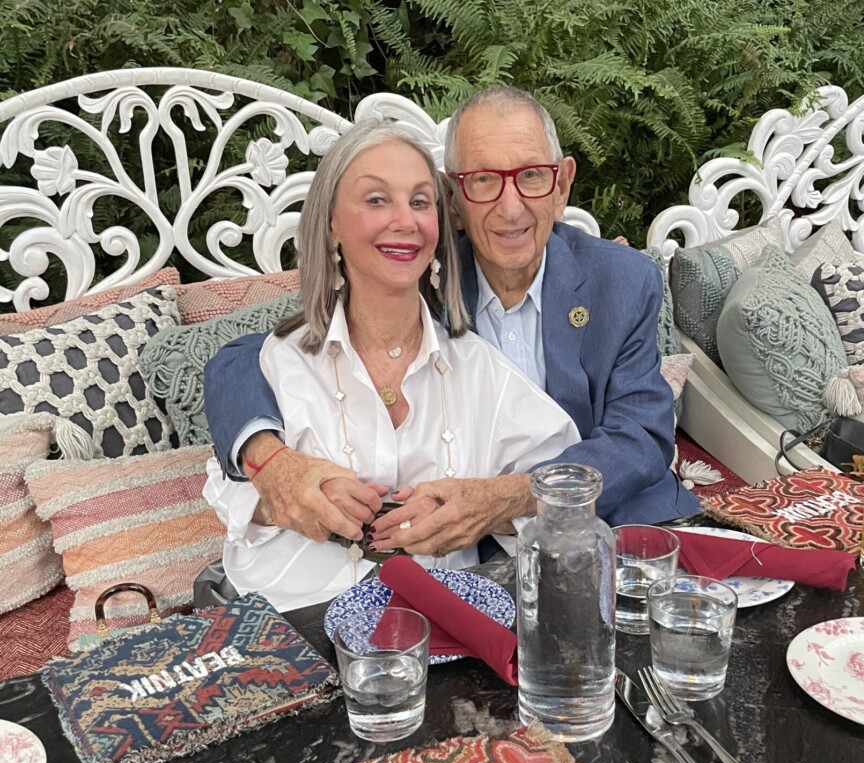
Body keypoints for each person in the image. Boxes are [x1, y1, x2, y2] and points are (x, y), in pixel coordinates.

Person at [203, 87, 700, 562]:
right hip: (490, 560)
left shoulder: (622, 280)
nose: (510, 207)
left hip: (623, 524)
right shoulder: (412, 269)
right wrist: (270, 459)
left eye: (531, 176)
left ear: (562, 183)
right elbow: (251, 355)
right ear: (453, 196)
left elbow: (639, 439)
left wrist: (504, 499)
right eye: (483, 179)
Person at [202, 119, 580, 611]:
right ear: (332, 222)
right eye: (377, 199)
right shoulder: (279, 361)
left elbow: (563, 490)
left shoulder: (478, 369)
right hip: (291, 626)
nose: (405, 220)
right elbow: (235, 499)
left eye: (421, 202)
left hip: (437, 636)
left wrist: (489, 507)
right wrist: (280, 493)